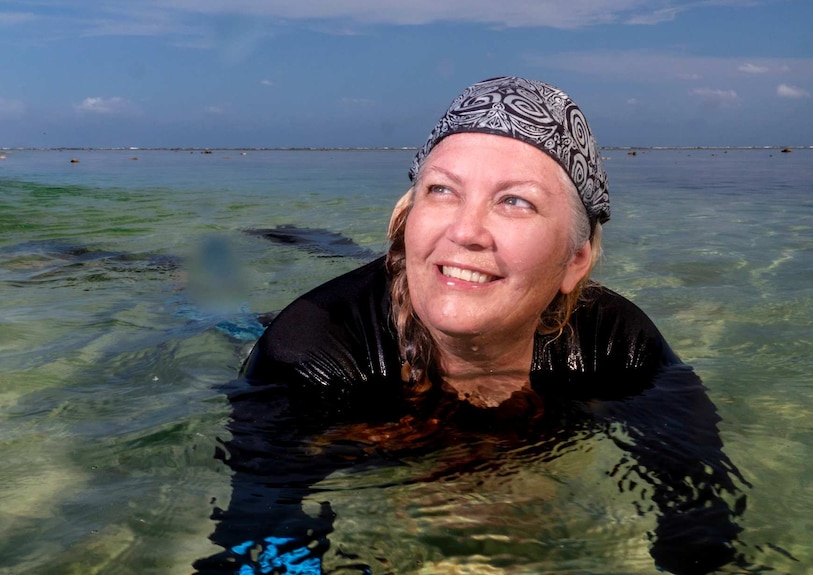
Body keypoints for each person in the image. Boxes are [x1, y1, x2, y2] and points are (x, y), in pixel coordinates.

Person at [195, 77, 749, 575]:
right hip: (307, 339)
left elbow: (699, 515)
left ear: (575, 260)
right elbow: (257, 535)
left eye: (514, 201)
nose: (466, 230)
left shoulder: (616, 347)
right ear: (408, 217)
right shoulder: (308, 354)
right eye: (441, 190)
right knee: (223, 320)